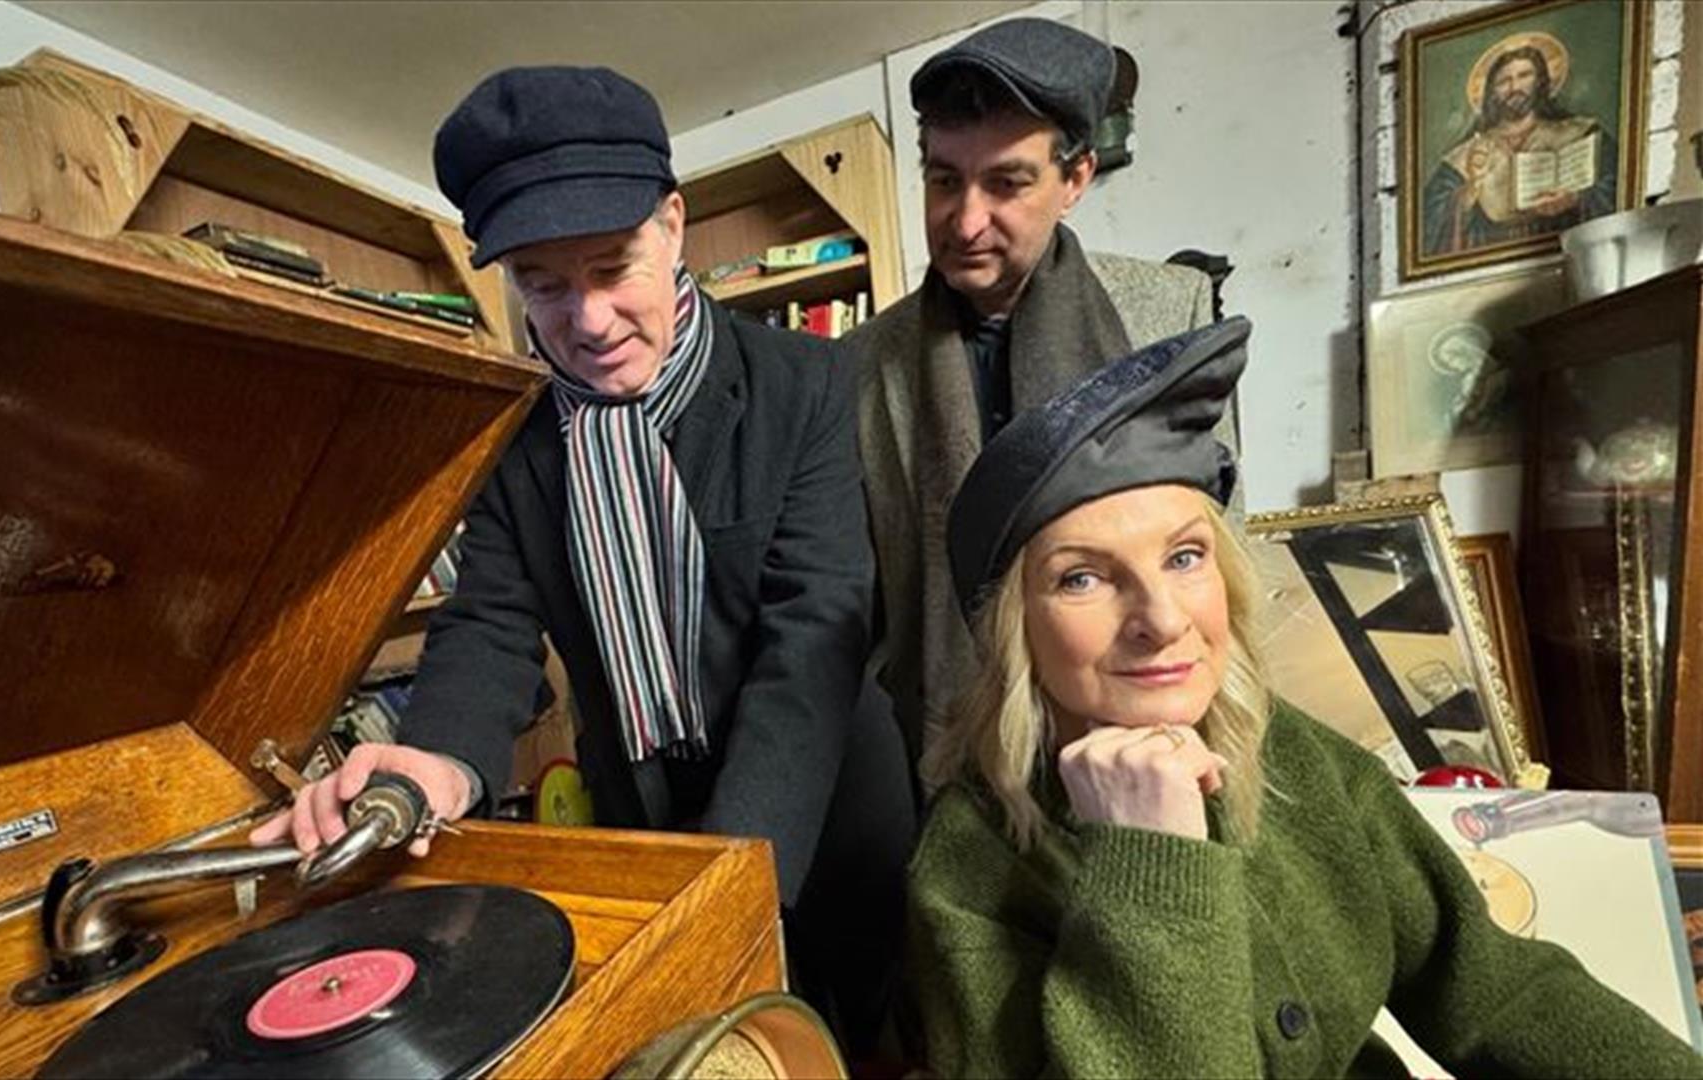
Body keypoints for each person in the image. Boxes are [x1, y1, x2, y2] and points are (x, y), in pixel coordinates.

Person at [251, 66, 914, 1052]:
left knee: (864, 1039)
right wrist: (432, 764)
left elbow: (814, 633)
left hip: (821, 801)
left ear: (674, 225)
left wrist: (732, 884)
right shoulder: (517, 441)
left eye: (612, 267)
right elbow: (488, 625)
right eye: (543, 285)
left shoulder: (808, 382)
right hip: (642, 817)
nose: (589, 320)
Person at [905, 316, 1703, 1077]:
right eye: (1082, 577)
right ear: (1014, 630)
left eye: (1185, 557)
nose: (1162, 619)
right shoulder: (968, 874)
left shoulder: (1299, 758)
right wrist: (1152, 857)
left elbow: (1494, 991)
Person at [845, 17, 1226, 773]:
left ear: (1075, 178)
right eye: (944, 180)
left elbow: (1214, 538)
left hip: (1150, 727)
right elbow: (871, 603)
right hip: (952, 747)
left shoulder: (1167, 310)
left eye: (1007, 182)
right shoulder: (862, 361)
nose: (966, 219)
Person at [1421, 36, 1617, 258]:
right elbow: (1432, 220)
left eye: (1524, 75)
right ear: (1491, 91)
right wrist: (1470, 189)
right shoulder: (1466, 154)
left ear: (1540, 80)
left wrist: (1576, 199)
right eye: (1503, 81)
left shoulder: (1579, 132)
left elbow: (1616, 188)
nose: (1514, 87)